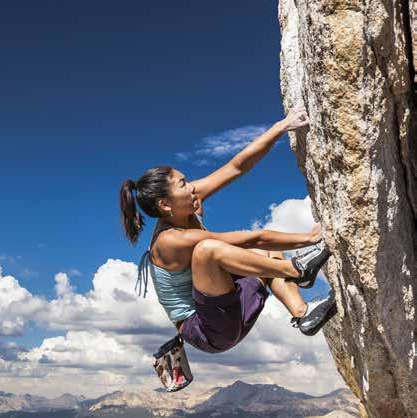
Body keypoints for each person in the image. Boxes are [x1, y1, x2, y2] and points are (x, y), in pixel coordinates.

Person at [120, 105, 336, 354]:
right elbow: (250, 239)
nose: (191, 187)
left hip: (230, 307)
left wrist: (282, 126)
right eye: (183, 184)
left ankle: (303, 313)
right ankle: (297, 270)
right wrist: (309, 239)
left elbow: (236, 167)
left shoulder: (189, 202)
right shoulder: (169, 241)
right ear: (165, 204)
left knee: (268, 254)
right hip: (207, 330)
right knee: (207, 251)